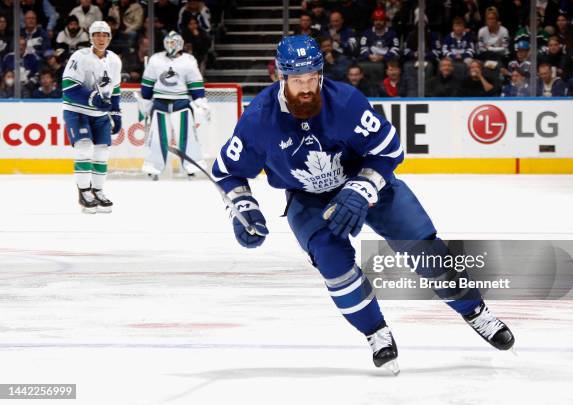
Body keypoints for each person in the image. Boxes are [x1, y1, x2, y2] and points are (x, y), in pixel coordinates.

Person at [210, 35, 515, 374]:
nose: (308, 87)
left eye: (313, 77)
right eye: (298, 81)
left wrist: (361, 189)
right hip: (308, 198)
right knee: (333, 264)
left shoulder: (345, 101)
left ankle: (475, 312)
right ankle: (376, 333)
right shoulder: (258, 120)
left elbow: (390, 149)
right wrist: (242, 209)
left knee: (426, 251)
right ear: (280, 77)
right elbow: (226, 172)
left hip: (366, 180)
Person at [62, 21, 122, 213]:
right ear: (91, 37)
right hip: (77, 111)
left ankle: (98, 191)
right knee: (84, 148)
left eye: (105, 35)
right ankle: (84, 192)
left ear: (110, 37)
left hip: (100, 114)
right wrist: (93, 98)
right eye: (97, 34)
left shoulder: (114, 60)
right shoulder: (79, 57)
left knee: (102, 152)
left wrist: (115, 111)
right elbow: (69, 87)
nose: (101, 38)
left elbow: (115, 89)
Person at [138, 31, 211, 180]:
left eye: (173, 43)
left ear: (180, 44)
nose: (170, 45)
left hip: (181, 103)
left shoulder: (188, 60)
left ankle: (192, 167)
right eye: (168, 42)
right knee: (158, 138)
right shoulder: (156, 59)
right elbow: (147, 83)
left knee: (187, 137)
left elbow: (195, 84)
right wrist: (145, 101)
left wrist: (200, 101)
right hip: (160, 103)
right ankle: (153, 168)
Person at [358, 9, 400, 83]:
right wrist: (369, 56)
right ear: (373, 21)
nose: (378, 22)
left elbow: (395, 48)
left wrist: (383, 57)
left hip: (387, 59)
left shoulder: (392, 33)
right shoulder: (367, 33)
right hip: (371, 58)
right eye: (376, 20)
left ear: (385, 21)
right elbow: (363, 47)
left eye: (381, 20)